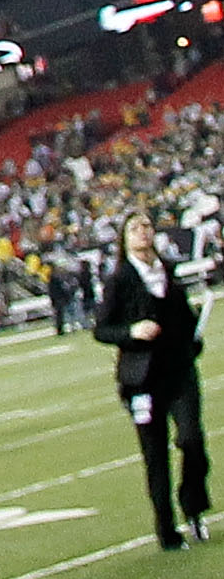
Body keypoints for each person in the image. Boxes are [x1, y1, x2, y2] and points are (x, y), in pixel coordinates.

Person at [96, 214, 206, 550]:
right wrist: (131, 331)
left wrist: (192, 335)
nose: (143, 233)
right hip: (142, 378)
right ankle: (166, 529)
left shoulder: (166, 271)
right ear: (124, 239)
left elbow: (184, 319)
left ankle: (194, 505)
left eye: (147, 227)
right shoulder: (120, 279)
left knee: (191, 440)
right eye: (134, 228)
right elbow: (102, 329)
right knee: (155, 455)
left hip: (179, 370)